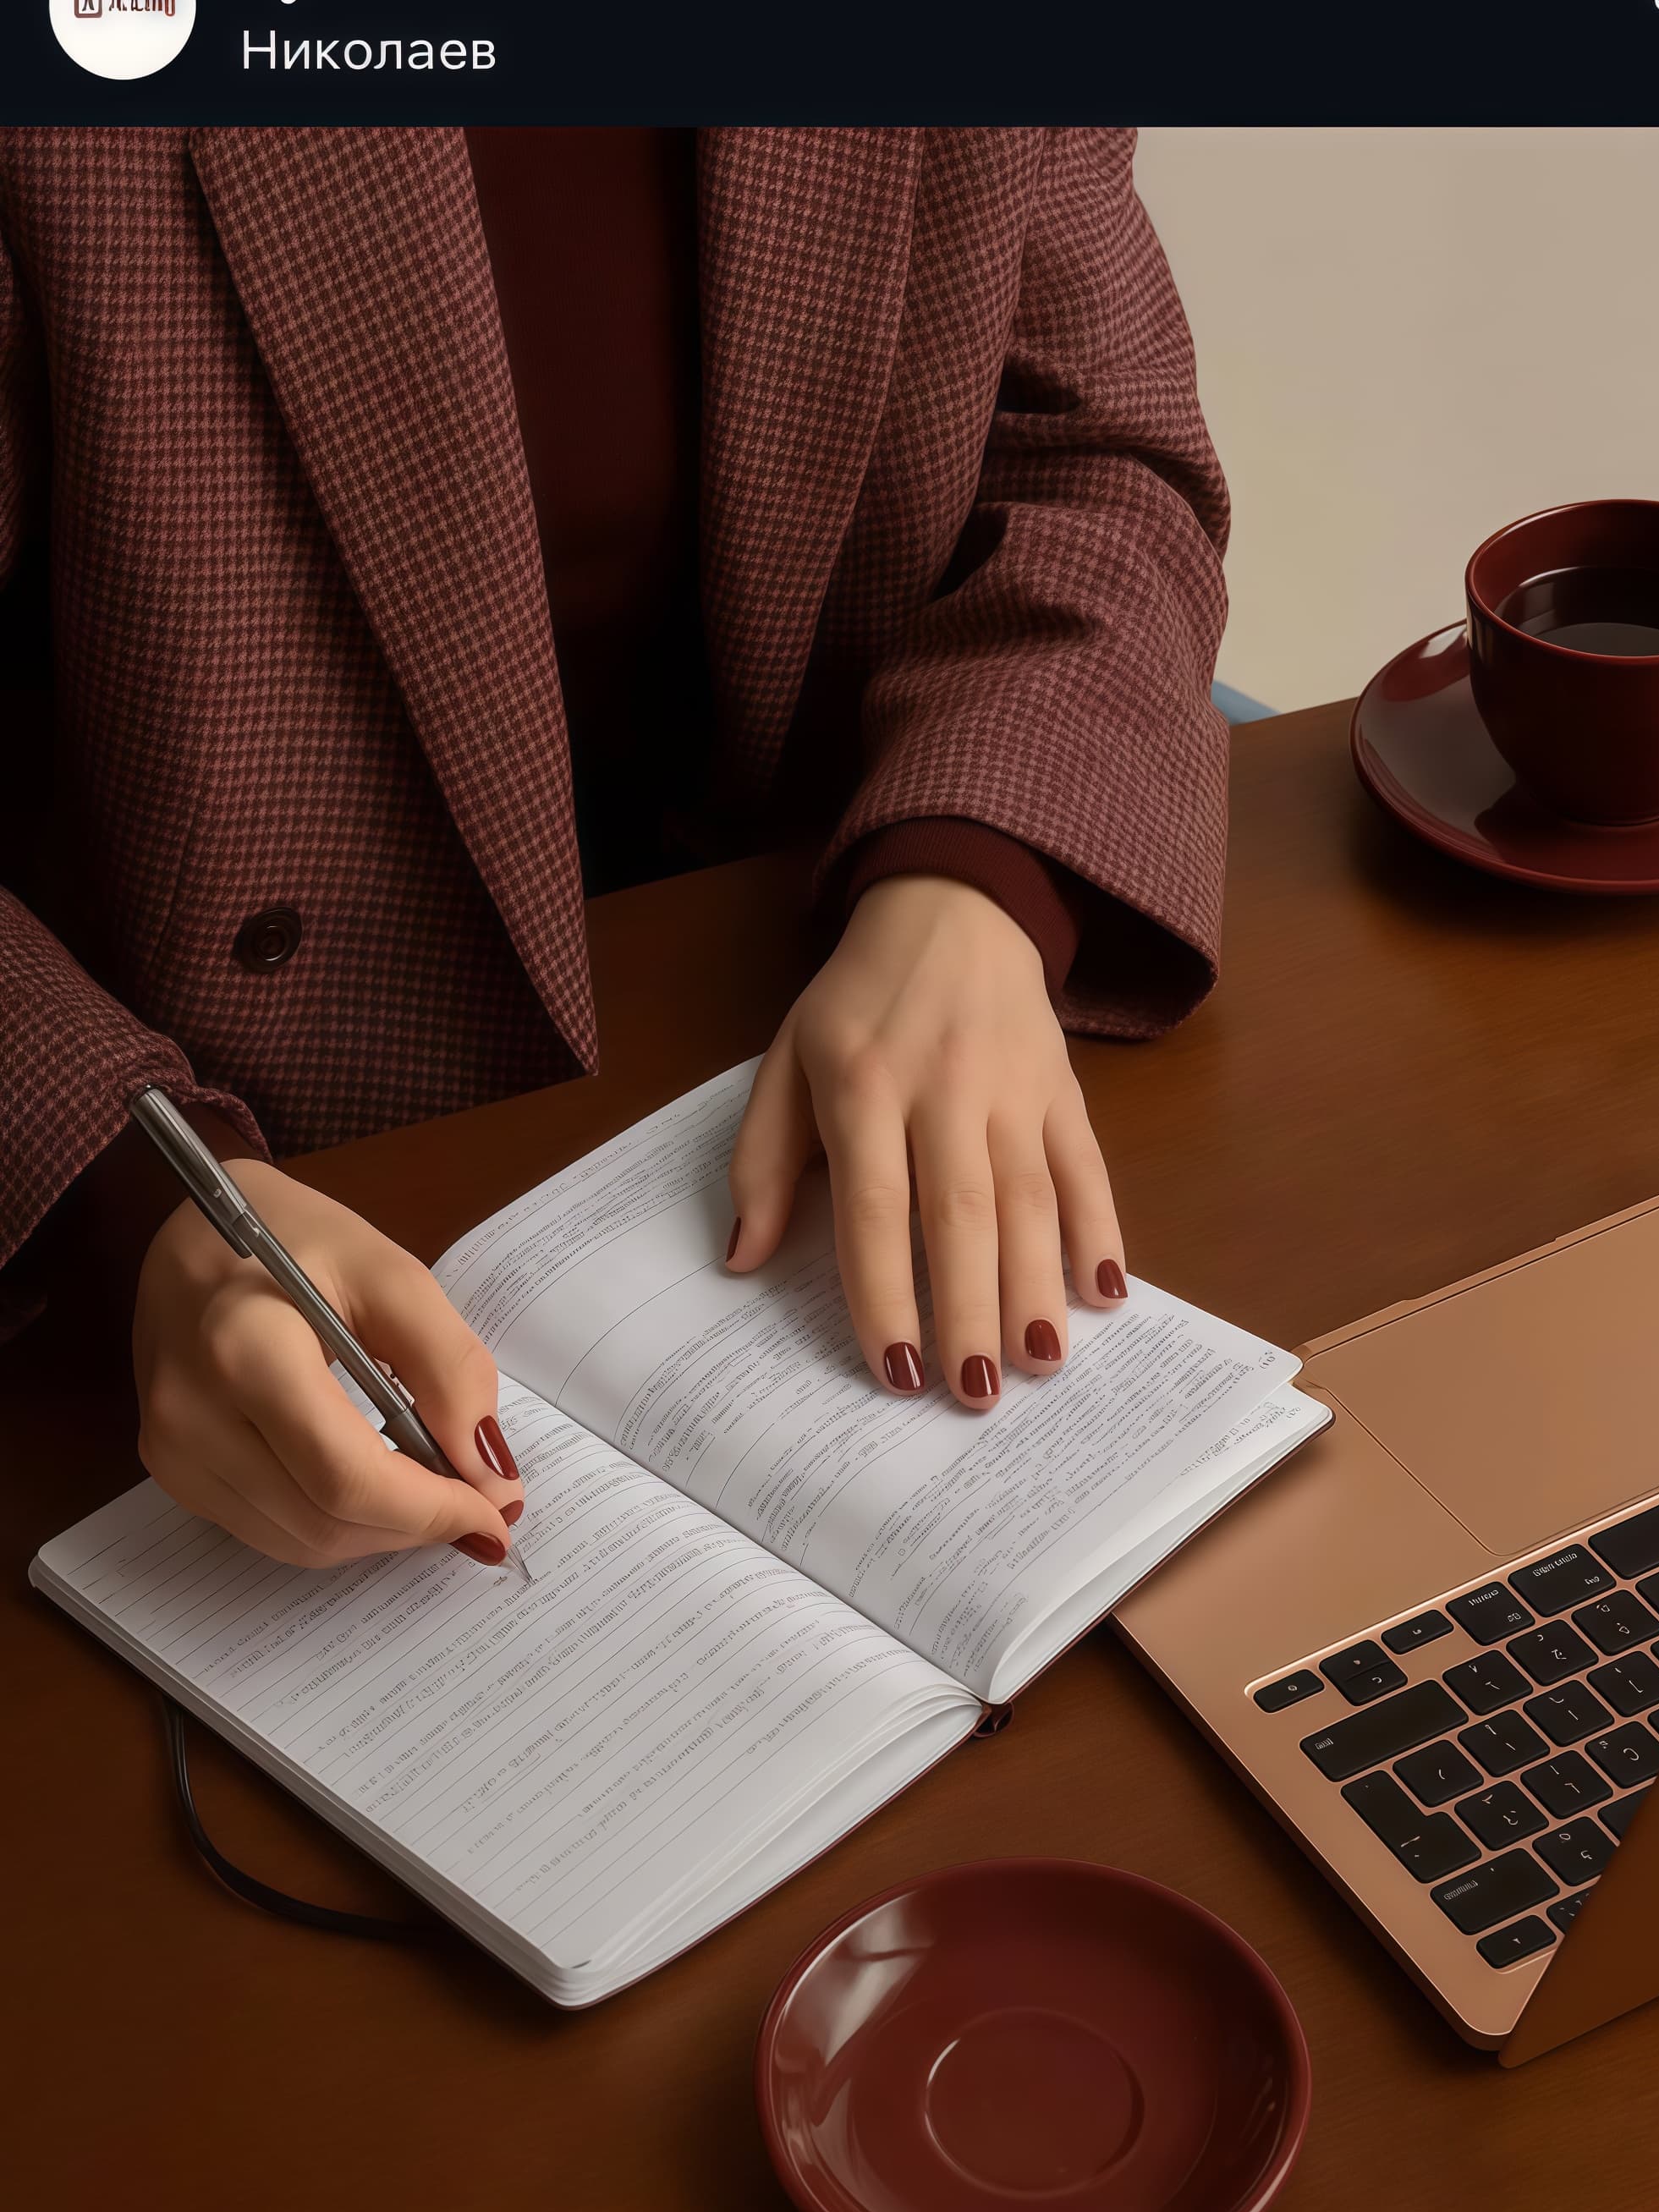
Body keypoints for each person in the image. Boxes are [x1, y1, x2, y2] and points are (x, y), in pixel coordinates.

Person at [0, 127, 1230, 1572]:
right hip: (234, 1155)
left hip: (793, 1003)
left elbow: (1100, 461)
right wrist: (136, 1200)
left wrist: (976, 877)